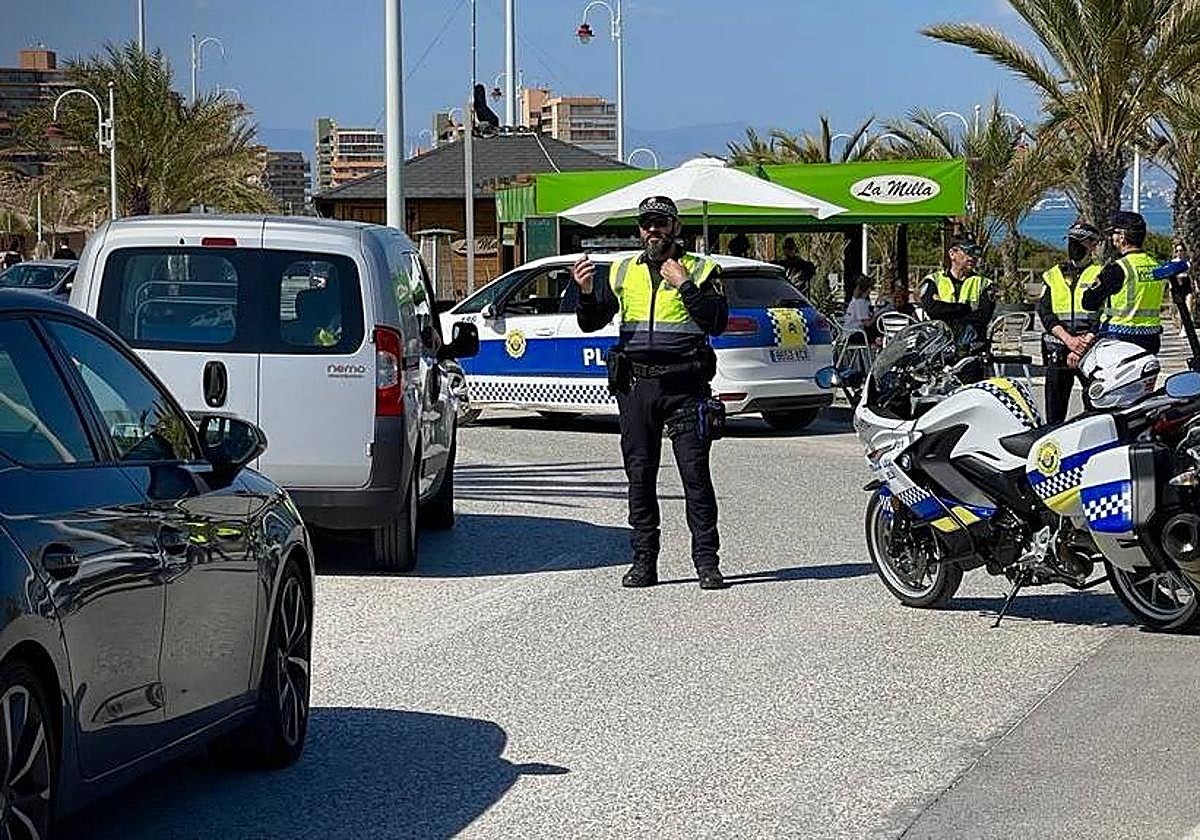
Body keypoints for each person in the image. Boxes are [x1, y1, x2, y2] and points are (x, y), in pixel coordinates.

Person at [573, 195, 729, 590]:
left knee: (695, 476)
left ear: (675, 227)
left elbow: (717, 322)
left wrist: (686, 285)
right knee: (639, 476)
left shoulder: (703, 268)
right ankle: (644, 562)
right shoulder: (623, 271)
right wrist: (588, 291)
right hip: (637, 387)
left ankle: (707, 563)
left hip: (685, 387)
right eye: (646, 224)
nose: (652, 230)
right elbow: (591, 323)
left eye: (660, 223)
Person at [1037, 220, 1103, 424]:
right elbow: (1045, 312)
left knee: (1096, 406)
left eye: (1080, 242)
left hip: (1090, 350)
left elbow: (1104, 313)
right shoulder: (1053, 275)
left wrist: (1081, 345)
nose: (1074, 247)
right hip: (1058, 348)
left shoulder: (1101, 273)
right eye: (1071, 241)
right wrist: (1068, 340)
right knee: (1054, 413)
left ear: (1093, 245)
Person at [1079, 210, 1164, 360]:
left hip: (1119, 338)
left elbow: (1088, 302)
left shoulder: (1118, 268)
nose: (1112, 238)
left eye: (1113, 233)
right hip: (1151, 338)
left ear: (1122, 236)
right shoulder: (1156, 266)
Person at [919, 236, 996, 343]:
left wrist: (948, 312)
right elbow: (932, 309)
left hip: (971, 345)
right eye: (968, 251)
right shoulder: (933, 280)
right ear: (952, 254)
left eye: (976, 252)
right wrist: (964, 308)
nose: (973, 257)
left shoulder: (985, 284)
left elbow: (983, 316)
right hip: (938, 344)